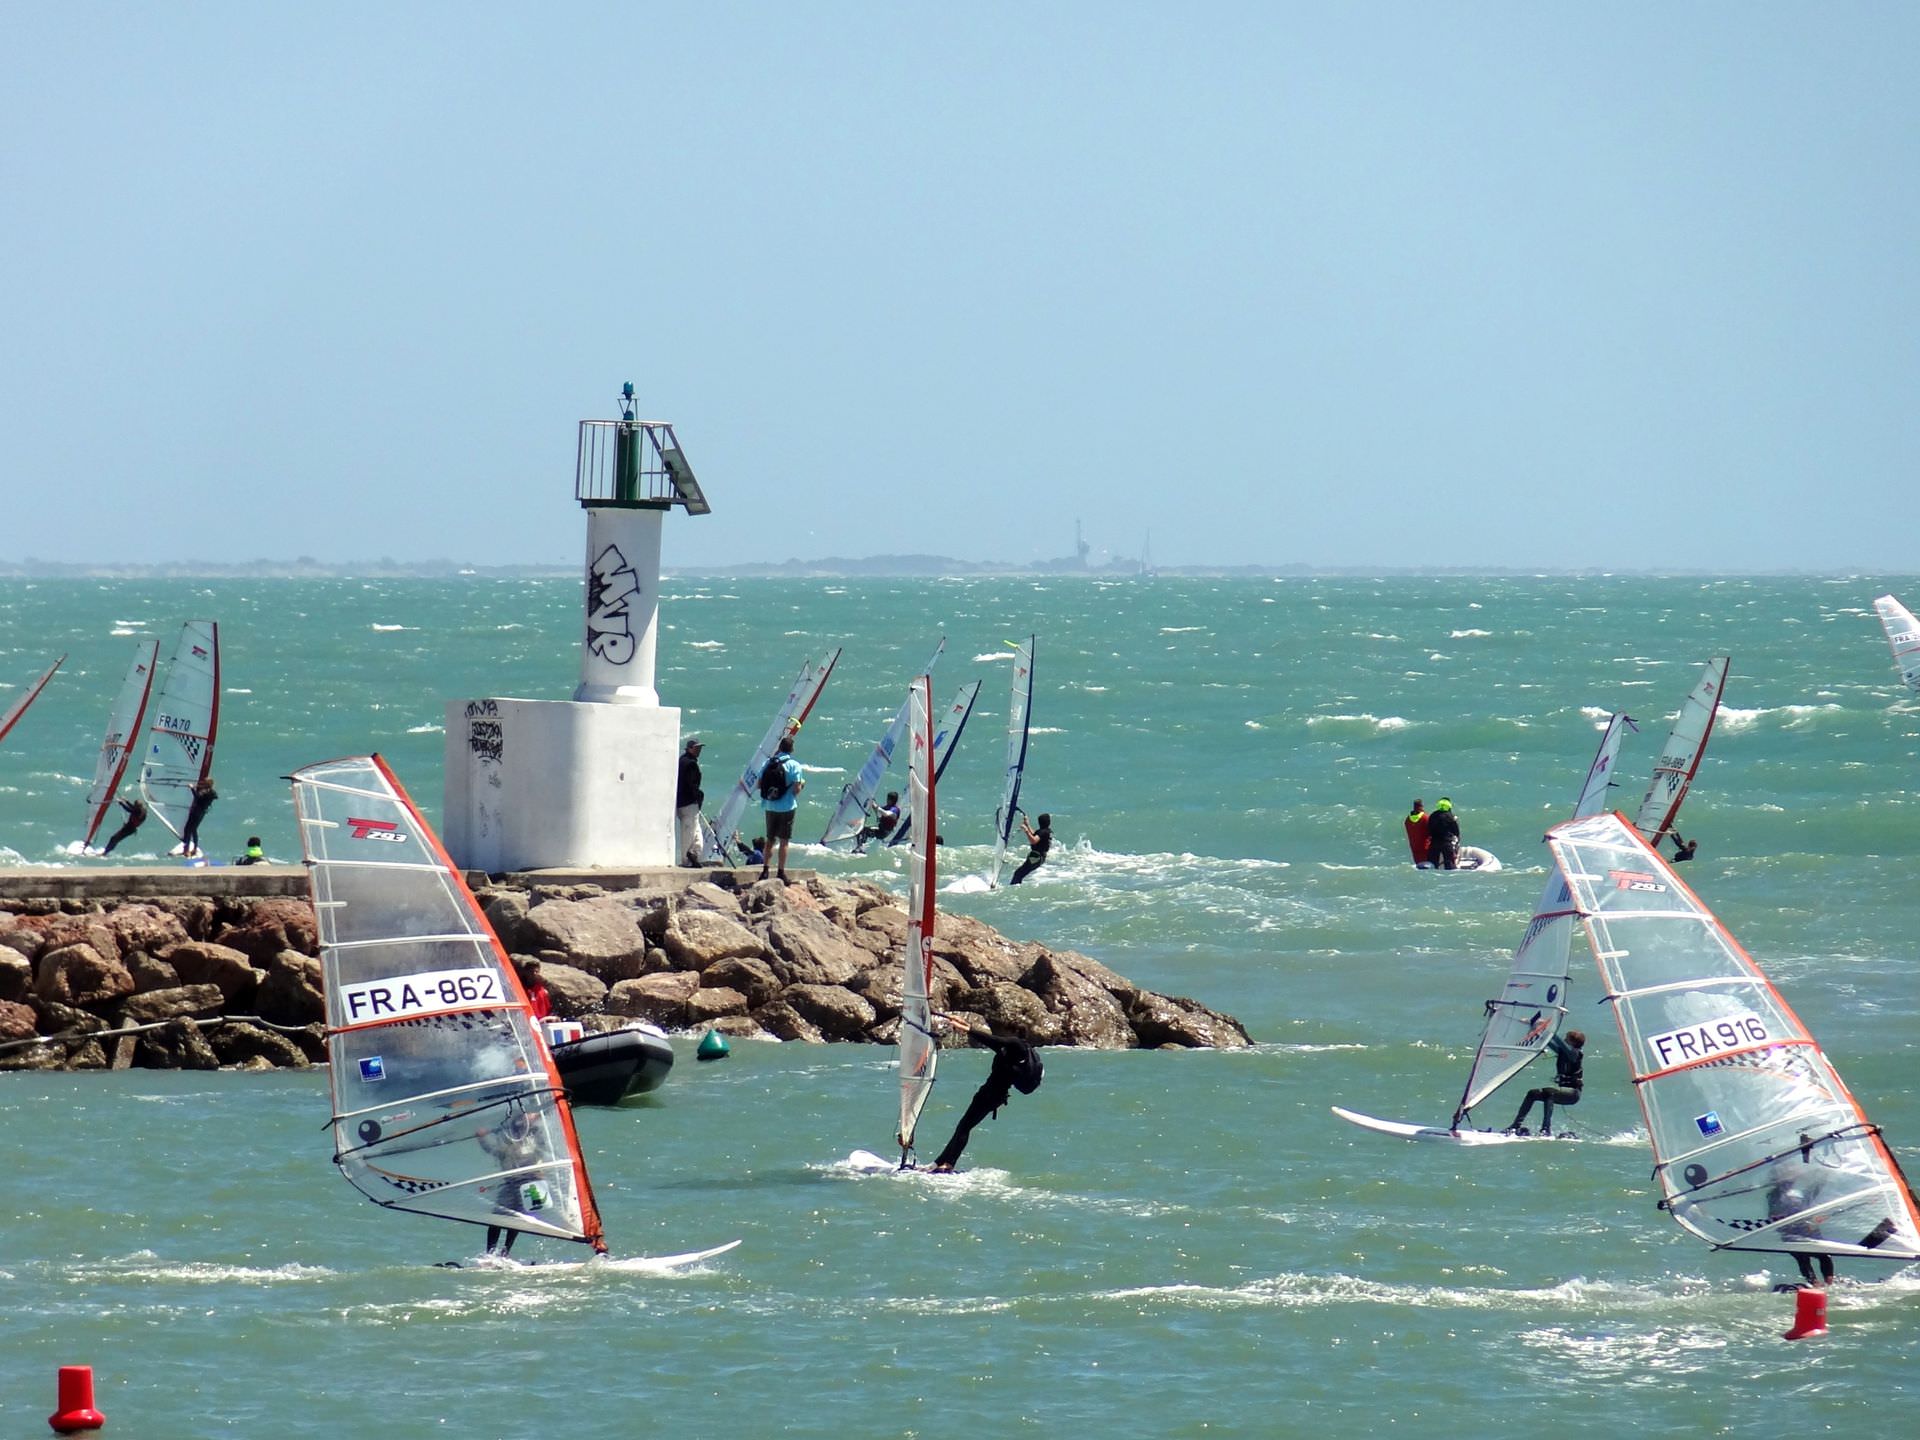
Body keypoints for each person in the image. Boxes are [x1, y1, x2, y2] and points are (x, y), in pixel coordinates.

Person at [927, 1021, 1044, 1173]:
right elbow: (991, 1042)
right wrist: (961, 1023)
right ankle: (939, 1163)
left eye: (1005, 1032)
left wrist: (968, 1029)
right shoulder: (1011, 1050)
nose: (1002, 1035)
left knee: (964, 1127)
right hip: (990, 1093)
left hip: (992, 1095)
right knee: (963, 1126)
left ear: (1013, 1033)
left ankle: (948, 1164)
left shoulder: (1017, 1045)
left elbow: (992, 1039)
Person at [1767, 1133, 1836, 1289]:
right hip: (1791, 1229)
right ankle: (1816, 1284)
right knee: (1804, 1258)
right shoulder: (1775, 1194)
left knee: (1823, 1256)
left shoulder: (1796, 1193)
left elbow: (1812, 1191)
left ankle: (1827, 1284)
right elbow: (1773, 1213)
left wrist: (1823, 1175)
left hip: (1805, 1227)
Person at [475, 1109, 544, 1258]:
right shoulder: (508, 1137)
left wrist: (534, 1117)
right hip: (512, 1181)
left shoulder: (536, 1133)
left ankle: (505, 1252)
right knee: (497, 1217)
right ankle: (490, 1253)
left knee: (517, 1217)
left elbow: (541, 1148)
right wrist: (482, 1139)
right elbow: (495, 1151)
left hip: (531, 1181)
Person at [1506, 1029, 1584, 1136]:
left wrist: (1547, 1030)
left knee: (1549, 1092)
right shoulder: (1564, 1053)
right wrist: (1536, 1031)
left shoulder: (1575, 1054)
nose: (1564, 1040)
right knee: (1532, 1093)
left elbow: (1559, 1042)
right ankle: (1515, 1126)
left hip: (1573, 1094)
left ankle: (1545, 1129)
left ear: (1573, 1042)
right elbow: (1547, 1041)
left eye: (1567, 1039)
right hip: (1562, 1092)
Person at [757, 733, 804, 883]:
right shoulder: (794, 765)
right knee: (784, 841)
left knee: (770, 839)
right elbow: (796, 790)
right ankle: (780, 872)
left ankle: (765, 870)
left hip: (770, 806)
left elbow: (759, 784)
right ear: (792, 749)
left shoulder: (768, 763)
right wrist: (802, 785)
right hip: (787, 807)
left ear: (779, 748)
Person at [675, 737, 705, 867]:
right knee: (689, 831)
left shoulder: (681, 761)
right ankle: (686, 860)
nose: (699, 750)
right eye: (697, 748)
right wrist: (698, 796)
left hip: (682, 802)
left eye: (700, 748)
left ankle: (694, 854)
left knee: (695, 830)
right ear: (690, 748)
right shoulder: (690, 764)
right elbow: (691, 785)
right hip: (689, 803)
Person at [1009, 812, 1052, 885]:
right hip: (1038, 857)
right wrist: (1027, 825)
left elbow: (1034, 841)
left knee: (1018, 874)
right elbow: (1035, 834)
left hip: (1036, 858)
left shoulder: (1043, 832)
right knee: (1019, 873)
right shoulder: (1045, 831)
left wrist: (1026, 830)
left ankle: (1014, 890)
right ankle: (1015, 888)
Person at [180, 776, 218, 858]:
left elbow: (197, 796)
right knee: (193, 829)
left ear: (206, 784)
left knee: (188, 829)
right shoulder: (212, 792)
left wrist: (192, 788)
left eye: (204, 782)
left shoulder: (204, 791)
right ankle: (194, 848)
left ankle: (186, 850)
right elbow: (214, 796)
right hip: (202, 813)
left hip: (195, 812)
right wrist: (198, 787)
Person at [1426, 797, 1462, 871]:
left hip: (1434, 843)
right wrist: (1457, 841)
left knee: (1432, 864)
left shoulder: (1433, 815)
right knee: (1449, 865)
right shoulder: (1451, 817)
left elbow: (1429, 829)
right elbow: (1456, 832)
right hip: (1447, 843)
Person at [1403, 799, 1432, 868]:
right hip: (1426, 848)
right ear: (1422, 806)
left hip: (1414, 848)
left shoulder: (1407, 820)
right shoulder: (1425, 818)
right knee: (1427, 868)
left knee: (1420, 867)